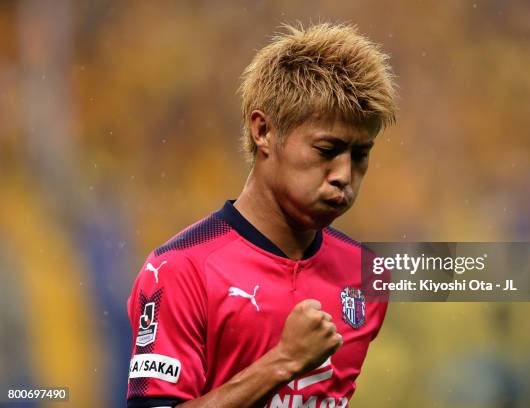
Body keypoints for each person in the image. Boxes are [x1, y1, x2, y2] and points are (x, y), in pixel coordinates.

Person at [126, 22, 397, 408]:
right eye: (326, 150)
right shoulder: (178, 271)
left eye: (360, 155)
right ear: (263, 130)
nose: (344, 176)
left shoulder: (366, 275)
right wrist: (282, 362)